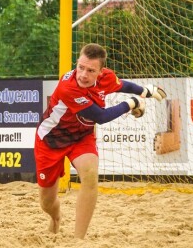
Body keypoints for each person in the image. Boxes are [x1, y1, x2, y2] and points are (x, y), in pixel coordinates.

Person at [34, 43, 166, 239]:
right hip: (51, 141)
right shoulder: (68, 87)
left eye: (90, 70)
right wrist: (133, 103)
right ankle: (56, 218)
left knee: (90, 175)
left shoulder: (107, 77)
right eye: (80, 67)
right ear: (76, 63)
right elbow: (101, 117)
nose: (83, 75)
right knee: (47, 202)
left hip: (82, 137)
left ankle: (78, 240)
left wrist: (145, 91)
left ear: (100, 72)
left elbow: (122, 85)